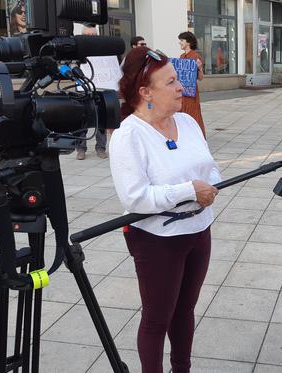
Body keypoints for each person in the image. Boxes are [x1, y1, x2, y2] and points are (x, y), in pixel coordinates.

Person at [110, 46, 221, 373]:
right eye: (171, 82)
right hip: (158, 241)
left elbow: (211, 169)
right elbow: (135, 198)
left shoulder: (186, 122)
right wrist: (189, 190)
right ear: (145, 92)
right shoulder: (129, 135)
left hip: (199, 231)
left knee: (185, 310)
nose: (181, 88)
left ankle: (181, 369)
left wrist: (208, 185)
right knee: (158, 318)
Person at [76, 24, 108, 159]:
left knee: (101, 119)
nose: (91, 38)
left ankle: (101, 148)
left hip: (100, 90)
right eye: (88, 36)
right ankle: (80, 149)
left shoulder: (103, 50)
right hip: (82, 90)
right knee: (81, 119)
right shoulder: (76, 51)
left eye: (93, 36)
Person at [178, 31, 206, 138]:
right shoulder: (181, 56)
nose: (179, 43)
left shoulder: (195, 56)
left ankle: (197, 137)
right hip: (181, 91)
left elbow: (200, 78)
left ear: (188, 42)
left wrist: (199, 68)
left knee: (192, 113)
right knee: (182, 113)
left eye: (181, 40)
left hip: (191, 91)